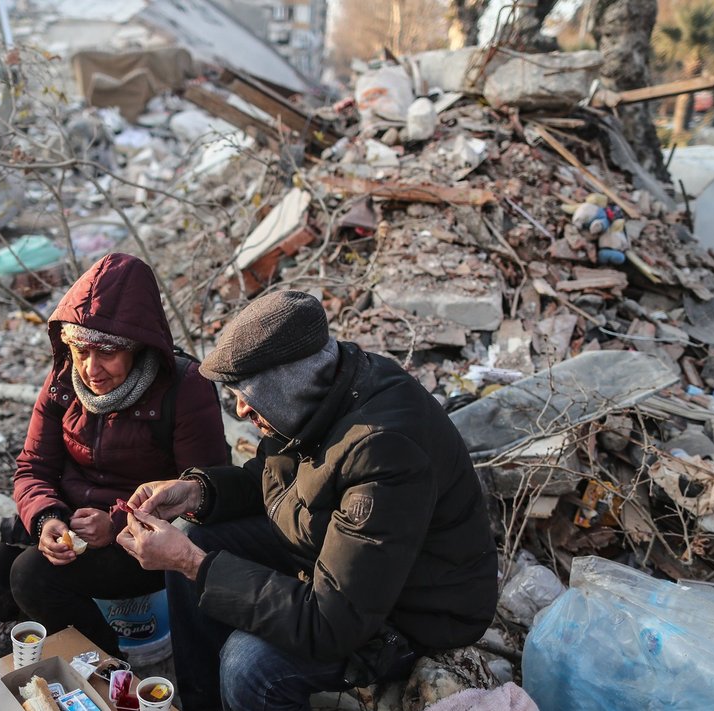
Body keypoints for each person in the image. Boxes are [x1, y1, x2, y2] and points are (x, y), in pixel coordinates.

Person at [117, 290, 498, 711]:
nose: (241, 409)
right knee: (193, 531)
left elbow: (331, 623)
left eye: (248, 393)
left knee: (249, 664)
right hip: (343, 562)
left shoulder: (383, 448)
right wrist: (197, 492)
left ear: (288, 383)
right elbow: (275, 480)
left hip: (415, 614)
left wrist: (193, 564)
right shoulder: (319, 396)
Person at [0, 253, 228, 657]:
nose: (91, 369)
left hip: (142, 538)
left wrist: (118, 521)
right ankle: (48, 624)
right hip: (73, 521)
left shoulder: (183, 388)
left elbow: (203, 490)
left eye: (107, 352)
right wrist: (47, 519)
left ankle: (106, 660)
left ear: (139, 348)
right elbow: (33, 466)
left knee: (31, 576)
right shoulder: (64, 380)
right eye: (80, 350)